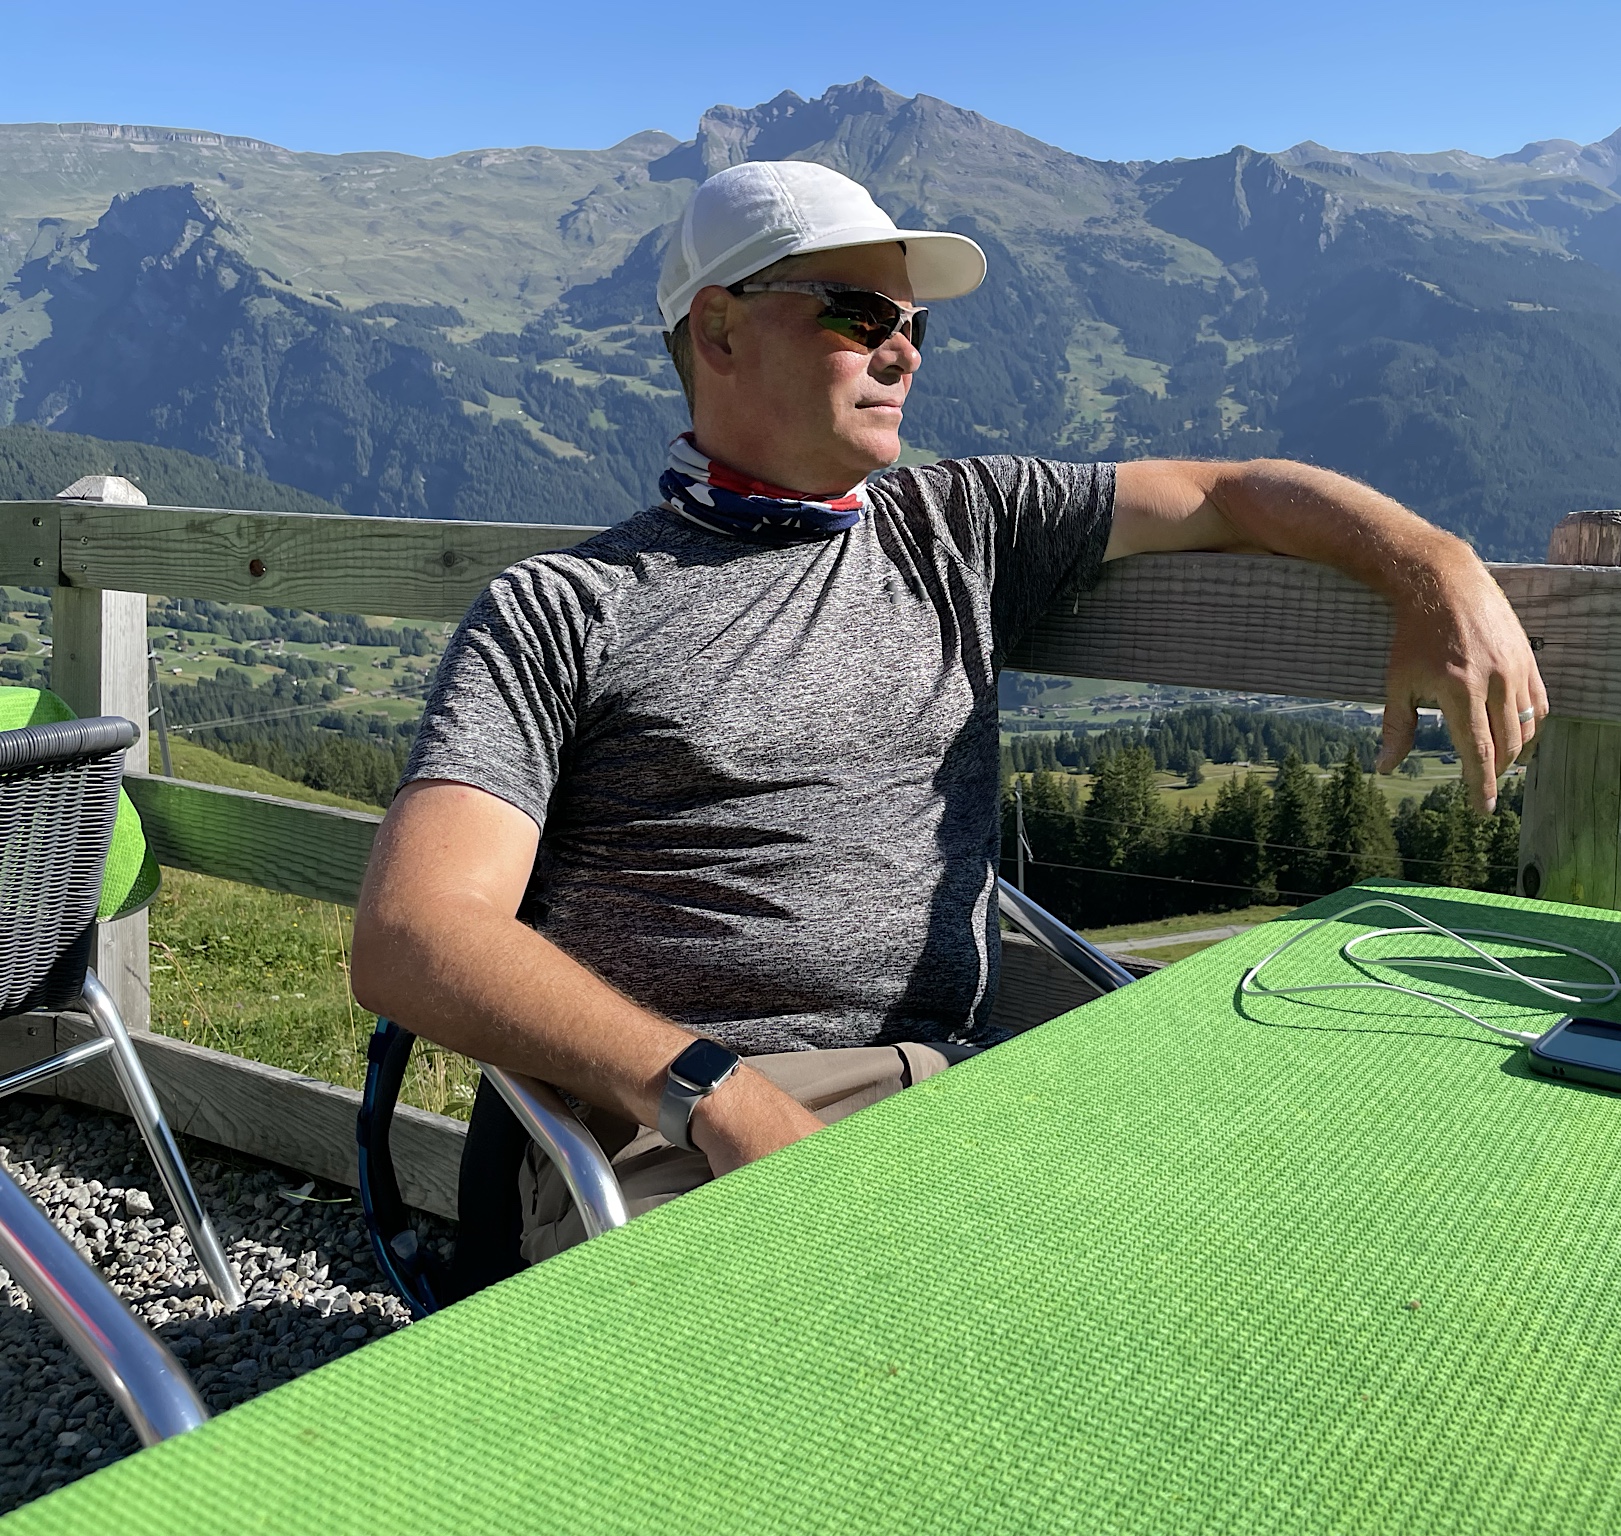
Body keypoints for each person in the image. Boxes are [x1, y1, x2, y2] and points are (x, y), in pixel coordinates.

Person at [350, 160, 1547, 1260]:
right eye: (855, 315)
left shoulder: (960, 527)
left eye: (911, 325)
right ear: (718, 327)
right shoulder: (565, 608)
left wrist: (1431, 565)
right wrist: (717, 1093)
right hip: (669, 1132)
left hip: (950, 1091)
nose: (902, 353)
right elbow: (413, 934)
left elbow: (1228, 491)